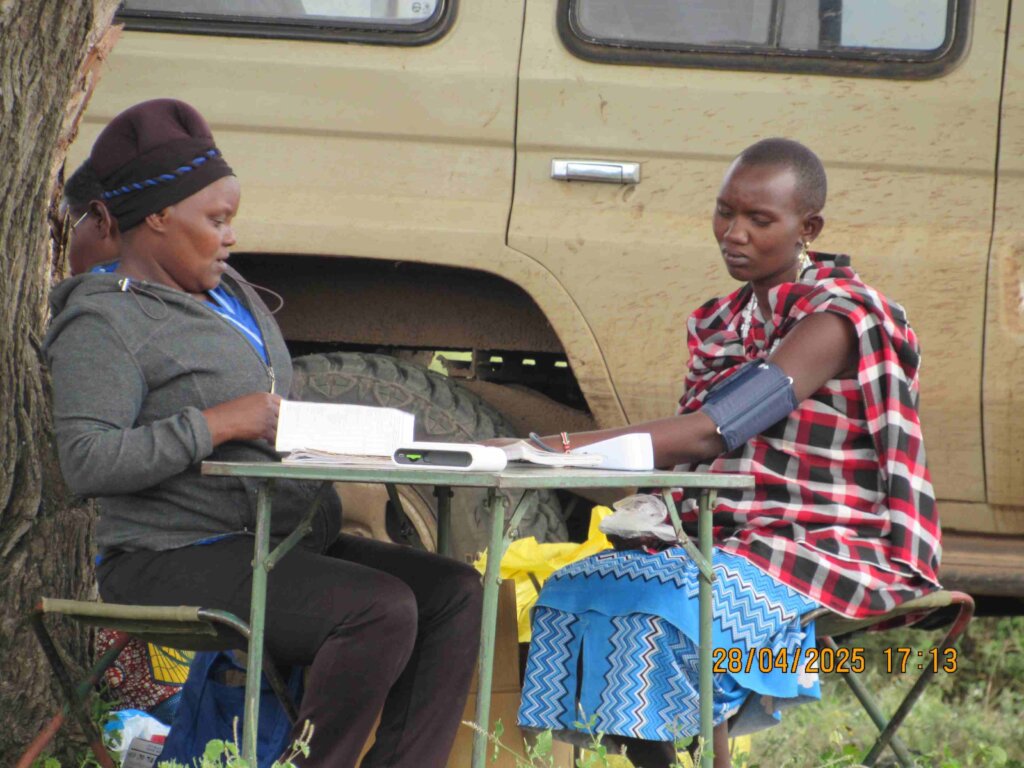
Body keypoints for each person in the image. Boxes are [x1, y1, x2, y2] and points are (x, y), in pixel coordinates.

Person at [45, 98, 483, 768]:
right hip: (170, 557)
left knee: (452, 592)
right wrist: (219, 424)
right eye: (216, 221)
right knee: (376, 610)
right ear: (158, 217)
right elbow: (87, 459)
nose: (230, 237)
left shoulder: (231, 294)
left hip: (278, 542)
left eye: (231, 221)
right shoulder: (103, 322)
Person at [514, 138, 942, 768]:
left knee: (669, 606)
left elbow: (717, 430)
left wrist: (548, 449)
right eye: (724, 213)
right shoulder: (727, 320)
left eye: (759, 220)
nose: (733, 234)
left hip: (824, 542)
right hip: (730, 534)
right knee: (575, 587)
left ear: (808, 228)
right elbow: (696, 458)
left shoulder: (839, 318)